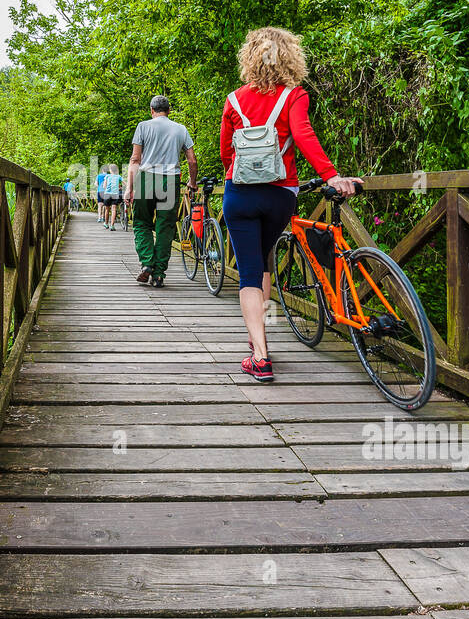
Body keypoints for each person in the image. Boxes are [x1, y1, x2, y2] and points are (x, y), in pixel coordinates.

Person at [220, 26, 359, 382]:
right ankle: (260, 341)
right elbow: (303, 135)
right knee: (264, 259)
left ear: (250, 57)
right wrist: (330, 175)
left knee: (249, 272)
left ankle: (260, 355)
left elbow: (226, 150)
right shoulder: (294, 95)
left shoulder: (234, 99)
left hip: (240, 192)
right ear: (290, 57)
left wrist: (236, 177)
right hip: (281, 194)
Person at [125, 96, 197, 287]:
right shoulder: (180, 129)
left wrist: (129, 188)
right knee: (165, 227)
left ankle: (147, 263)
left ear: (151, 110)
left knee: (141, 223)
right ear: (169, 110)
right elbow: (192, 160)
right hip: (170, 180)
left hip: (146, 178)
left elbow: (135, 160)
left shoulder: (143, 126)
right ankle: (158, 274)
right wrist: (193, 181)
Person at [101, 164, 123, 230]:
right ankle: (112, 226)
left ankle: (106, 223)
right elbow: (125, 184)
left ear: (110, 170)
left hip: (107, 194)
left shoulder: (107, 176)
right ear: (116, 170)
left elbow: (104, 186)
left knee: (107, 209)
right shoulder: (118, 176)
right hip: (115, 194)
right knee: (114, 209)